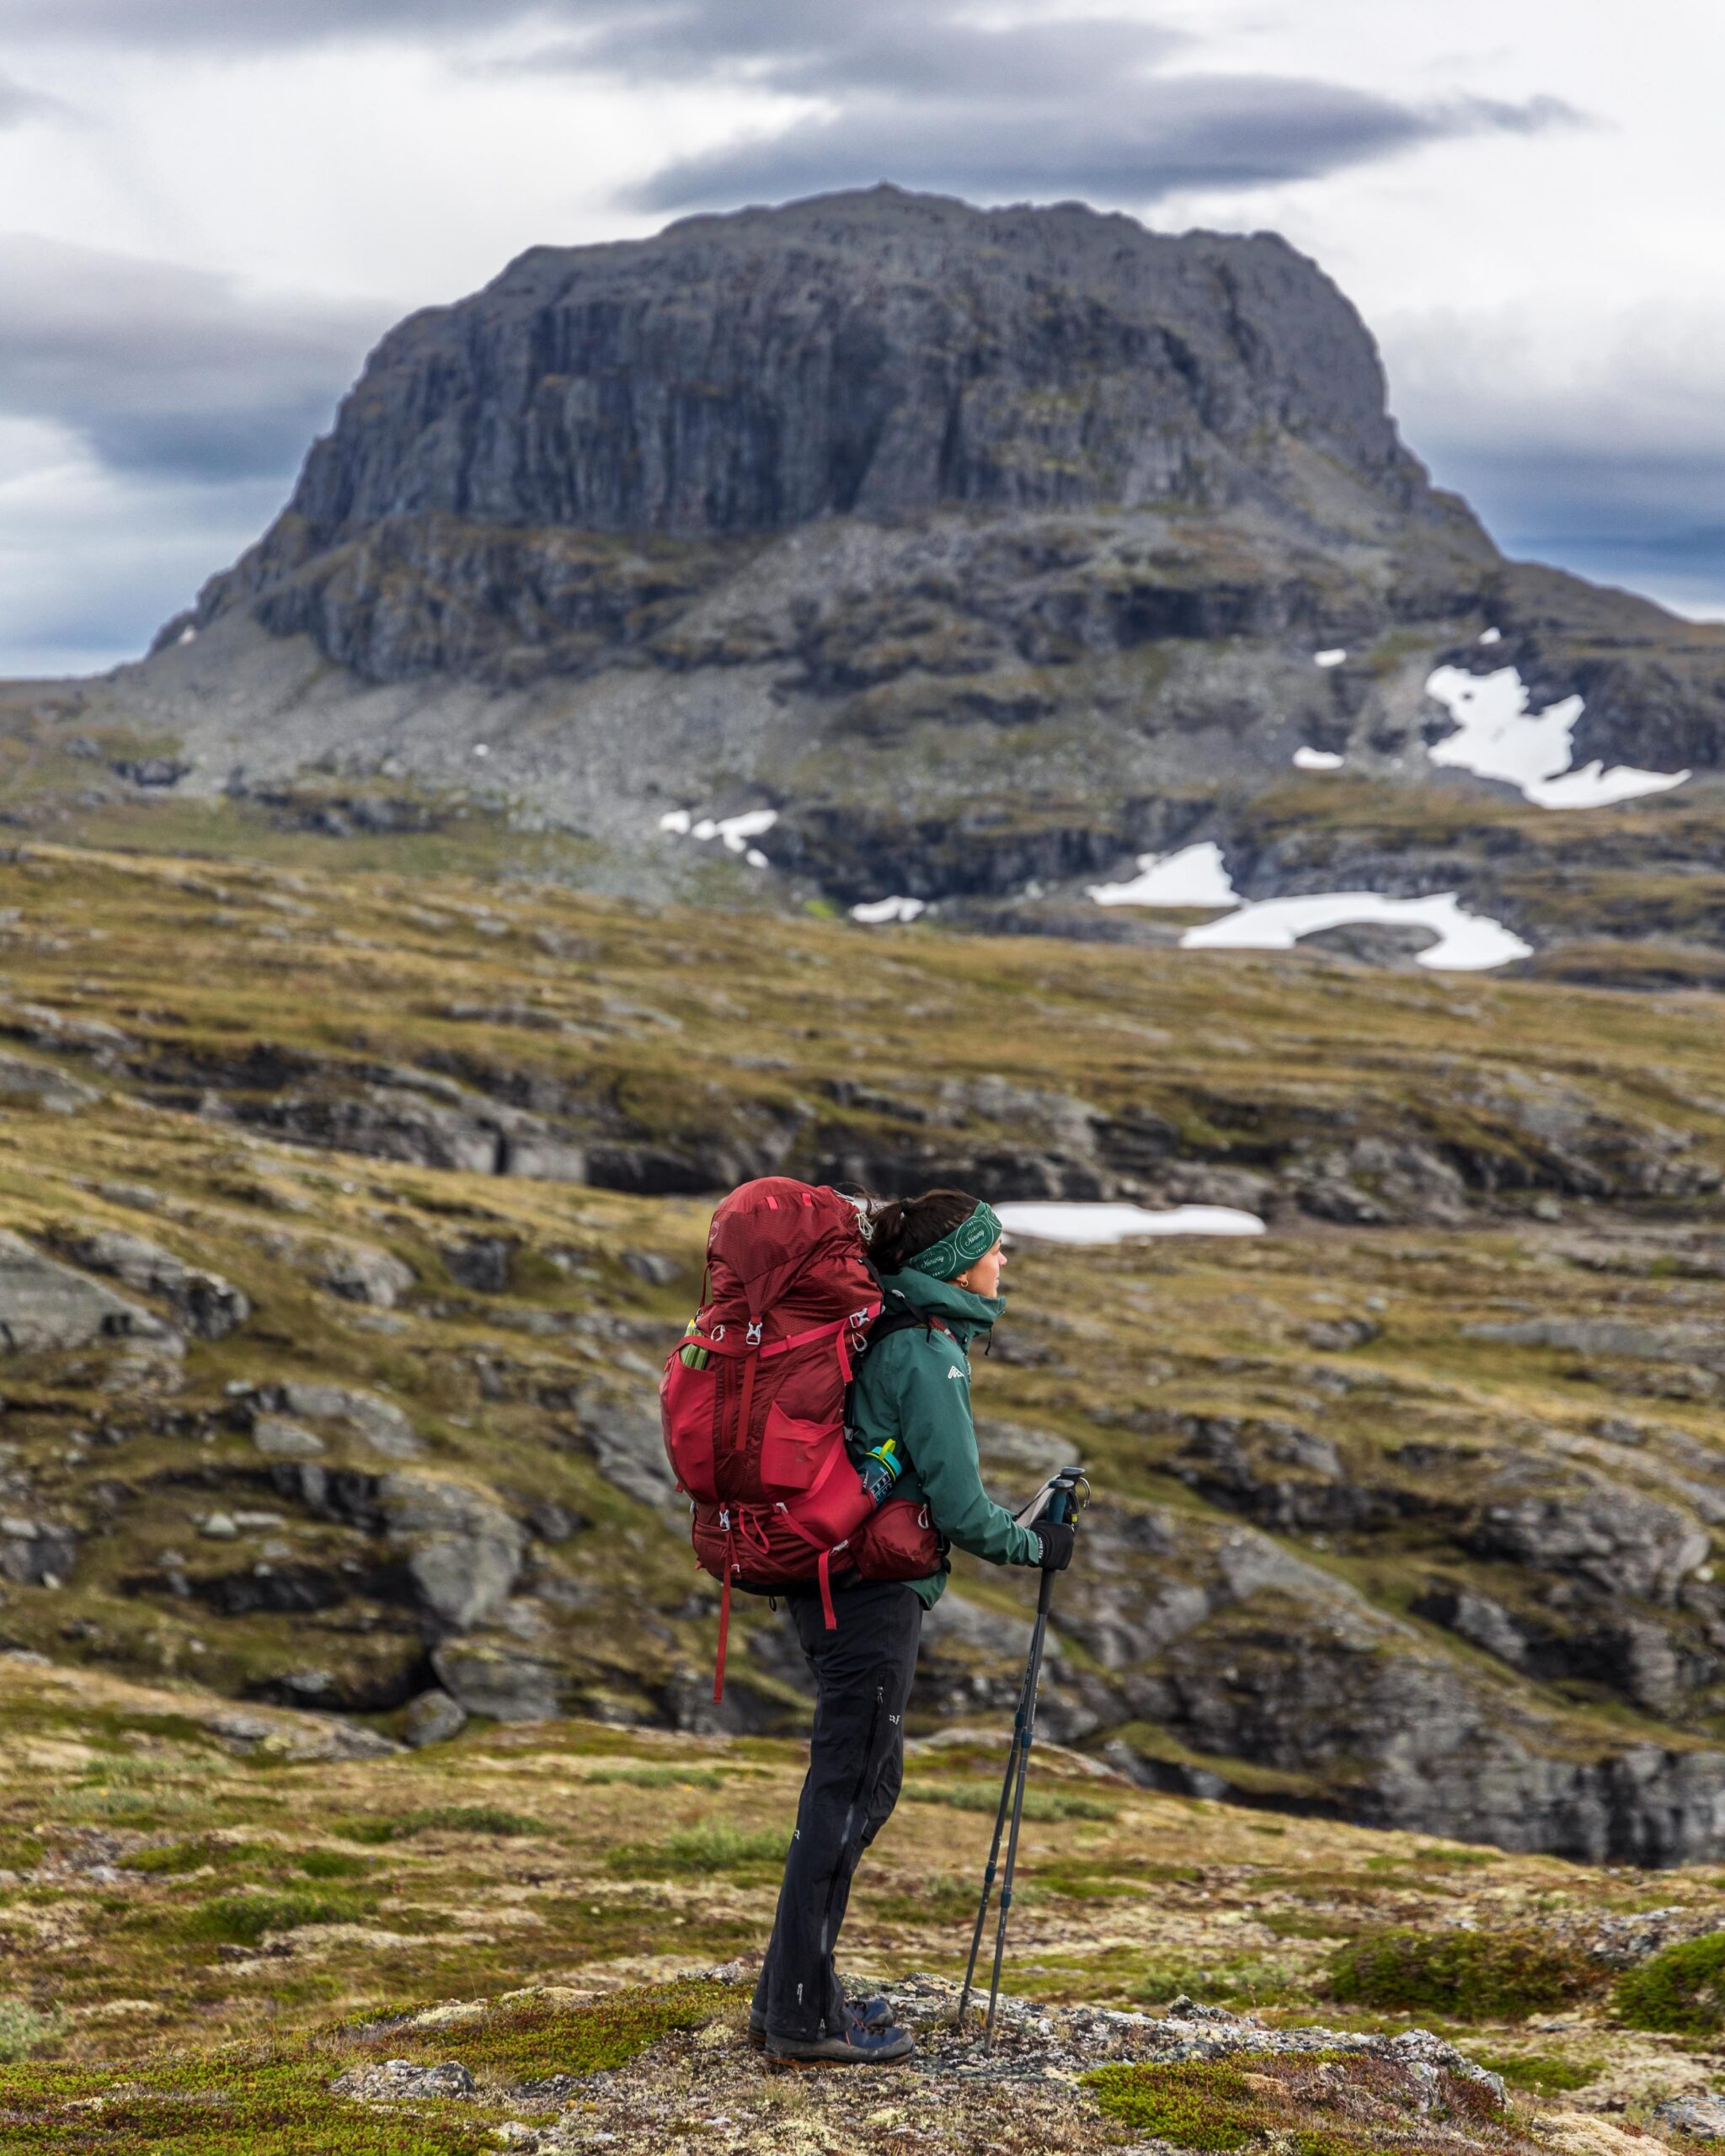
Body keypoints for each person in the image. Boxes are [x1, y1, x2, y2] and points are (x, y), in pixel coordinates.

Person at [751, 1188, 1076, 2066]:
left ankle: (790, 1995)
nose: (1004, 1260)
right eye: (993, 1247)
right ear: (952, 1264)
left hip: (827, 1585)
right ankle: (800, 2016)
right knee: (852, 1789)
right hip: (866, 1592)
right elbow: (962, 1507)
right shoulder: (926, 1356)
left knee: (849, 1785)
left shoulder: (889, 1335)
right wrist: (1032, 1543)